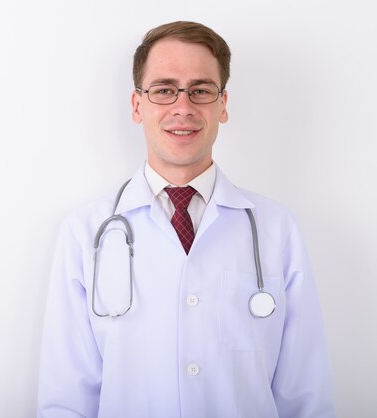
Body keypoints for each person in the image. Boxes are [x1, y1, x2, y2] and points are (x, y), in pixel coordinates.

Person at [37, 21, 335, 418]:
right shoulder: (84, 233)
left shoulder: (277, 231)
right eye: (164, 90)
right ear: (136, 105)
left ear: (223, 104)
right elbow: (66, 399)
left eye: (201, 90)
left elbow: (306, 396)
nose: (183, 107)